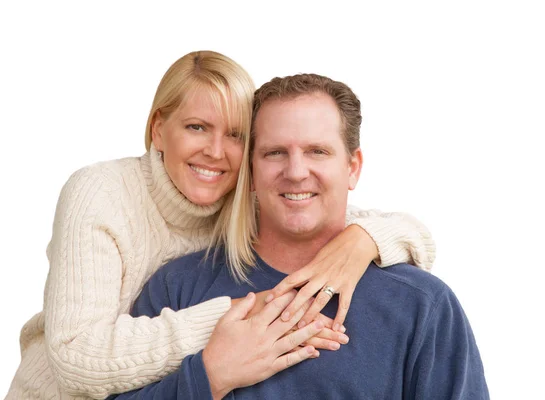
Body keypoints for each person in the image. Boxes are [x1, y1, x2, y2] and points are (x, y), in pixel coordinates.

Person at [6, 52, 435, 399]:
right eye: (196, 127)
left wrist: (364, 240)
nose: (216, 151)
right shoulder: (100, 194)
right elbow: (76, 360)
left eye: (235, 134)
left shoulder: (244, 196)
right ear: (158, 128)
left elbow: (322, 207)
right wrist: (235, 320)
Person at [111, 73, 488, 399]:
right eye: (275, 153)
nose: (295, 171)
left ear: (352, 167)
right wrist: (211, 377)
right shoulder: (177, 288)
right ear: (251, 171)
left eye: (317, 152)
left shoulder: (422, 305)